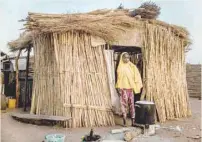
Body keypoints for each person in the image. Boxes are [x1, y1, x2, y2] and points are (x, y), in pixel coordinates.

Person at [116, 52, 143, 126]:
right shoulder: (120, 67)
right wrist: (118, 87)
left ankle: (133, 121)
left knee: (132, 105)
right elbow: (118, 79)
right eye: (125, 57)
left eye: (128, 57)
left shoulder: (131, 66)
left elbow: (136, 75)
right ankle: (124, 120)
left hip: (130, 89)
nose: (127, 59)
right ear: (122, 58)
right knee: (123, 105)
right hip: (123, 89)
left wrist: (136, 86)